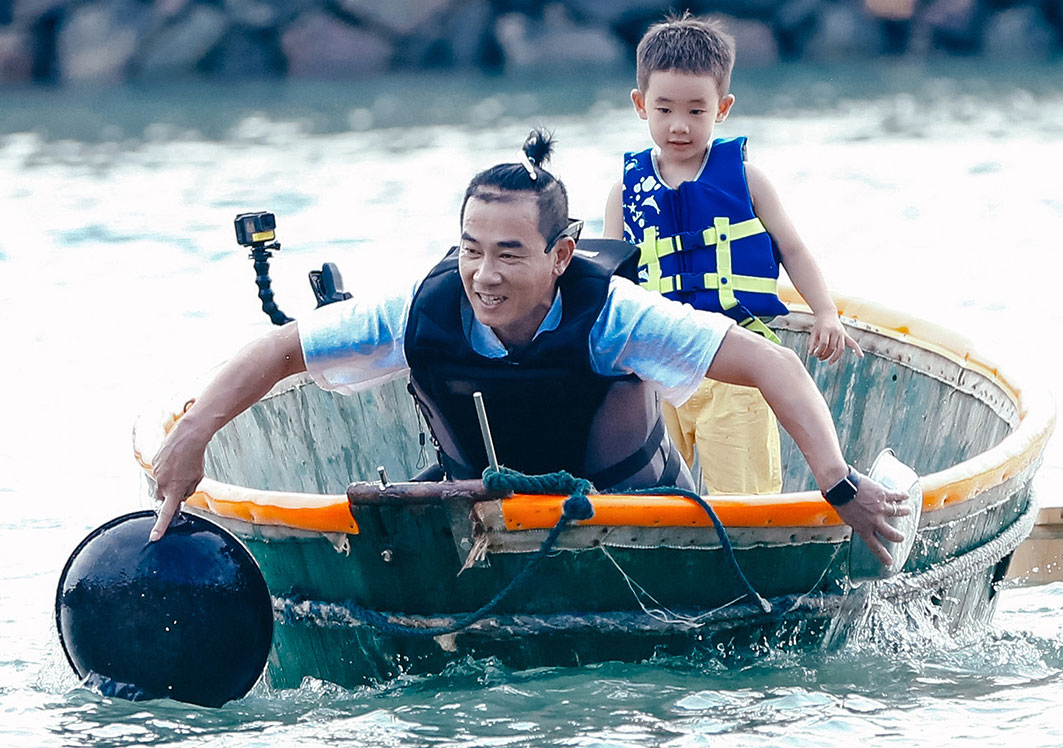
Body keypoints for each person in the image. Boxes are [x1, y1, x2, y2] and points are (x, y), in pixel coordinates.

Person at [150, 130, 909, 565]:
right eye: (470, 249)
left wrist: (840, 485)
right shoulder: (423, 311)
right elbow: (283, 348)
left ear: (561, 254)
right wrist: (193, 433)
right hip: (478, 525)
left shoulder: (615, 316)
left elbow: (773, 363)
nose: (484, 274)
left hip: (633, 527)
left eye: (510, 253)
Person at [603, 13, 862, 496]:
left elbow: (793, 249)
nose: (679, 125)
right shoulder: (625, 193)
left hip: (738, 366)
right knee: (649, 494)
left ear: (722, 109)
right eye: (664, 109)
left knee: (743, 495)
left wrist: (826, 312)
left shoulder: (747, 180)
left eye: (696, 111)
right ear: (640, 104)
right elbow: (611, 284)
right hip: (655, 368)